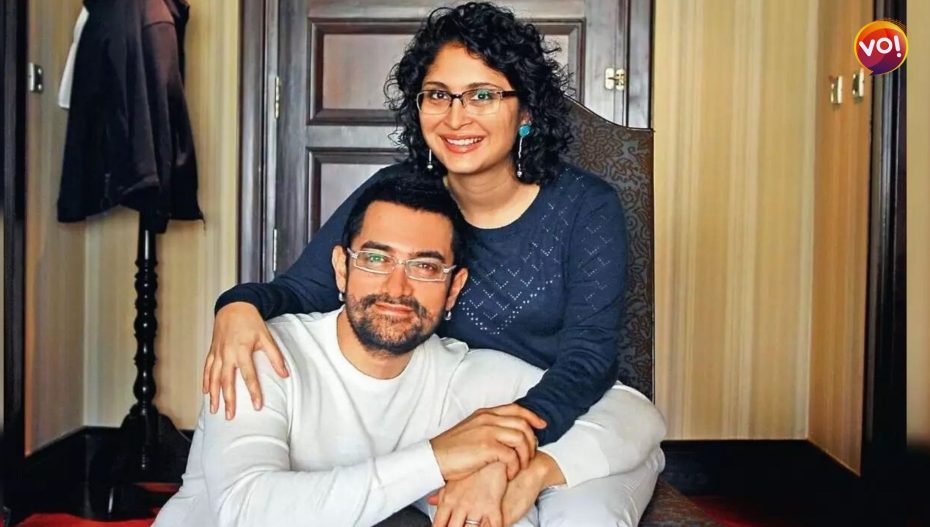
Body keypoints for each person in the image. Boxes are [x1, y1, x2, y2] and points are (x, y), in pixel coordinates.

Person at [155, 177, 665, 527]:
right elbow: (245, 510)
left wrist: (529, 472)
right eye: (377, 260)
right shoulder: (262, 353)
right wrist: (438, 458)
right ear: (341, 268)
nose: (397, 288)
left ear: (454, 288)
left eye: (425, 267)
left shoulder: (458, 373)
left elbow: (631, 412)